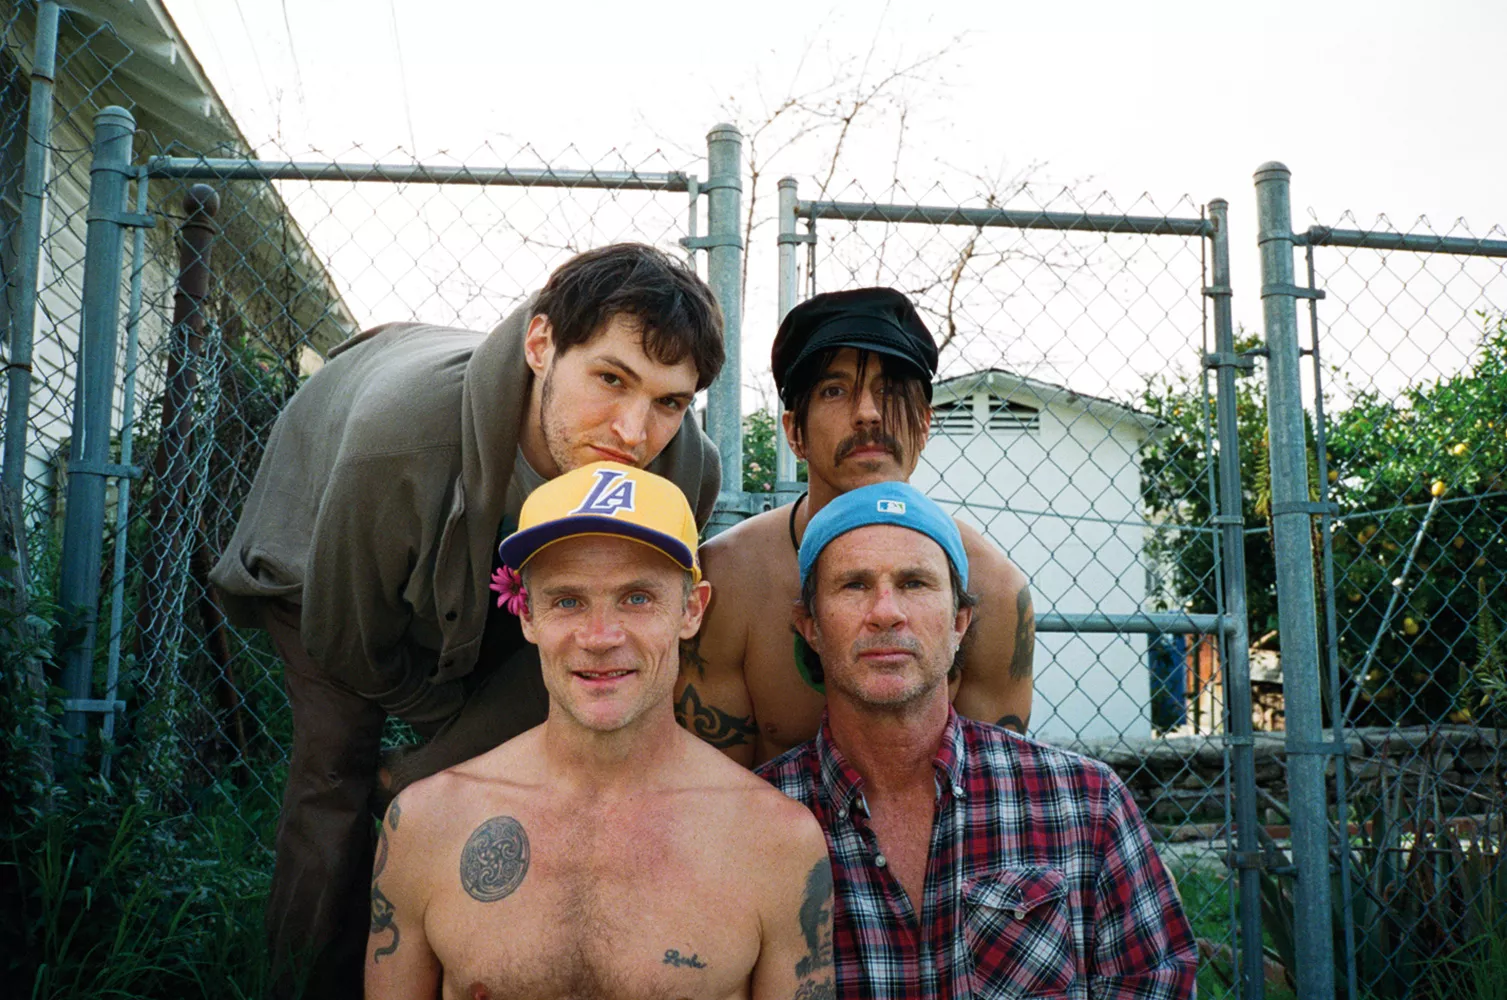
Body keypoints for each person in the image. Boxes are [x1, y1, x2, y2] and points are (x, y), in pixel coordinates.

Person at [208, 244, 725, 997]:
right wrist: (441, 725)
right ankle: (305, 978)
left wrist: (439, 764)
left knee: (510, 765)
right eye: (610, 379)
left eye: (669, 402)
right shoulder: (398, 441)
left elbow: (591, 642)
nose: (633, 431)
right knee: (336, 767)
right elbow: (345, 641)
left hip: (507, 576)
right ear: (542, 345)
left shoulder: (684, 473)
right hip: (330, 556)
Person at [365, 463, 834, 1000]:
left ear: (691, 610)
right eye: (568, 601)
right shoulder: (428, 823)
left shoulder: (774, 843)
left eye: (637, 598)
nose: (600, 637)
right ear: (528, 616)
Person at [757, 481, 1198, 998]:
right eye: (854, 584)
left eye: (915, 583)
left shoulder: (1084, 803)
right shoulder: (755, 824)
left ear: (959, 622)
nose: (886, 611)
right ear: (809, 626)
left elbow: (1156, 984)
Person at [681, 287, 1034, 766]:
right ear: (794, 432)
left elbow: (990, 789)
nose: (868, 412)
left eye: (890, 390)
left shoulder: (992, 587)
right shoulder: (728, 580)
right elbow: (711, 792)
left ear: (924, 425)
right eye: (834, 390)